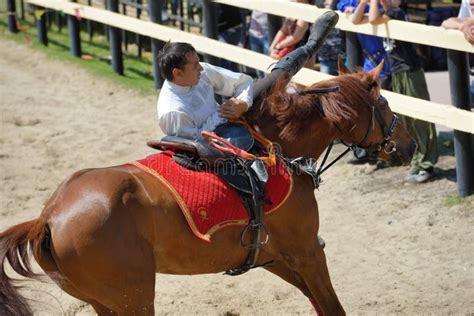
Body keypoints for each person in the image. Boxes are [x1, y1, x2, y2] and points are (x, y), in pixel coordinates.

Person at [364, 0, 439, 182]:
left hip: (410, 71)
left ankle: (427, 164)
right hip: (397, 71)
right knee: (405, 119)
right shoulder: (385, 13)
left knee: (419, 119)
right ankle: (416, 161)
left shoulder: (396, 12)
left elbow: (373, 18)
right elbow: (359, 19)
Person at [156, 42, 253, 140]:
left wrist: (244, 103)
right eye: (195, 65)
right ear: (178, 73)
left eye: (198, 62)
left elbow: (242, 82)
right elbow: (195, 144)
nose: (201, 68)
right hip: (213, 148)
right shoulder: (173, 112)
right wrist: (222, 114)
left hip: (226, 127)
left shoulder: (201, 72)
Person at [339, 0, 392, 164]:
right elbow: (354, 18)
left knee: (383, 110)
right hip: (370, 62)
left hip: (384, 62)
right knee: (365, 107)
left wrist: (361, 8)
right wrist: (361, 5)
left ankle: (384, 152)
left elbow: (373, 17)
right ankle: (366, 151)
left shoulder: (381, 3)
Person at [269, 0, 315, 68]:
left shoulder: (306, 8)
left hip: (302, 52)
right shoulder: (293, 6)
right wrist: (272, 46)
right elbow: (283, 30)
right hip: (288, 48)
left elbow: (296, 37)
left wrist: (278, 46)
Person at [318, 0, 346, 75]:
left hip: (341, 55)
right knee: (324, 83)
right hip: (325, 54)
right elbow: (318, 3)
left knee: (342, 83)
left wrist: (332, 5)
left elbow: (339, 5)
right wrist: (324, 4)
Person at [249, 10, 270, 78]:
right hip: (254, 34)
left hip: (268, 35)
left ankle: (267, 88)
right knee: (258, 67)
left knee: (268, 68)